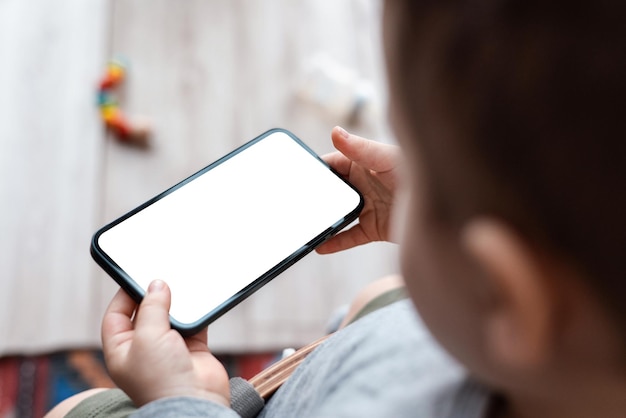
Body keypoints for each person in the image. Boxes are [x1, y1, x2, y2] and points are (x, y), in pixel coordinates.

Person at [47, 0, 626, 416]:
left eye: (421, 173)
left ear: (505, 292)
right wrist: (428, 214)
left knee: (77, 410)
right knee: (377, 298)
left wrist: (184, 402)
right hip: (378, 356)